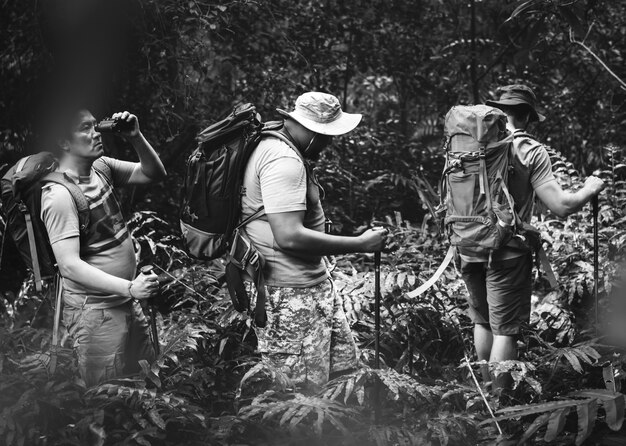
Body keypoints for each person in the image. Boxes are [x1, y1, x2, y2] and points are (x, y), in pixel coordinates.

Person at [459, 84, 606, 384]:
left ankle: (483, 396)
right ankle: (500, 409)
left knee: (483, 322)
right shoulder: (530, 150)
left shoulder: (471, 143)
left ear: (501, 111)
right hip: (507, 251)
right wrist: (590, 189)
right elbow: (561, 206)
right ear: (526, 115)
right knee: (505, 330)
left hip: (468, 246)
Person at [240, 92, 386, 390]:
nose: (329, 142)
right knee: (299, 397)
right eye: (326, 135)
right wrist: (360, 244)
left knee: (340, 383)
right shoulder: (284, 160)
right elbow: (289, 237)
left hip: (309, 288)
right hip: (289, 295)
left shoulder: (272, 146)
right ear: (309, 130)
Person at [41, 108, 167, 386]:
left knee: (145, 383)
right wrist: (130, 288)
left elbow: (153, 173)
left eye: (95, 126)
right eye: (85, 128)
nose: (96, 133)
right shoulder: (59, 195)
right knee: (106, 398)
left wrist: (135, 137)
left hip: (126, 300)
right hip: (95, 312)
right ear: (64, 142)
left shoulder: (101, 167)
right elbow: (69, 265)